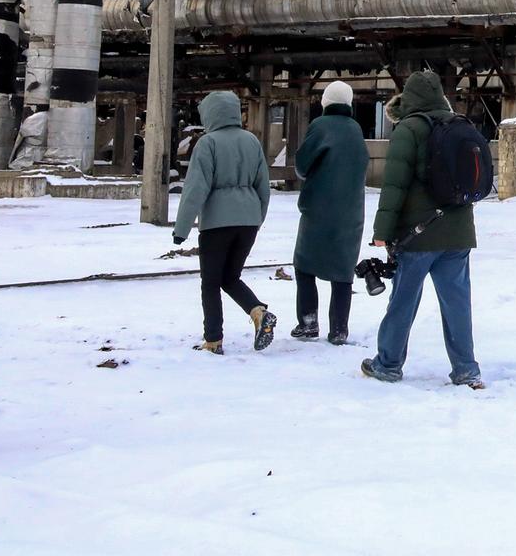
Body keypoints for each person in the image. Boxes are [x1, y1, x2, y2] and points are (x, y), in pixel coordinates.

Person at [361, 69, 484, 389]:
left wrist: (382, 231)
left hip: (418, 234)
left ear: (409, 97)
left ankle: (388, 364)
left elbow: (394, 186)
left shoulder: (409, 129)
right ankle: (466, 369)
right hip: (458, 234)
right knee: (457, 304)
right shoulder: (459, 125)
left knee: (403, 302)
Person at [172, 90, 276, 355]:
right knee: (230, 277)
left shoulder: (207, 143)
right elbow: (263, 187)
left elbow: (195, 188)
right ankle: (258, 311)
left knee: (210, 282)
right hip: (248, 222)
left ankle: (213, 340)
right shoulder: (252, 141)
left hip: (217, 224)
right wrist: (256, 219)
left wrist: (181, 229)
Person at [291, 80, 368, 345]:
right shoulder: (356, 129)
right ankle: (339, 329)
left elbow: (302, 165)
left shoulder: (320, 126)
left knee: (304, 265)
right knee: (343, 271)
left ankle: (308, 323)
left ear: (325, 101)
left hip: (318, 210)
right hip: (351, 213)